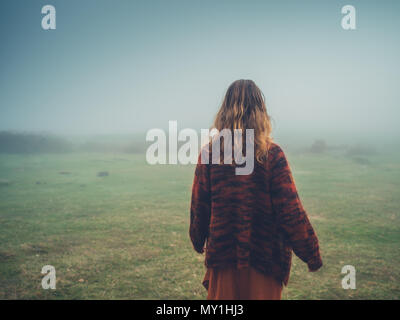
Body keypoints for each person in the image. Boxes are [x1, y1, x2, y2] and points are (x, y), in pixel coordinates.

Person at [189, 79, 322, 300]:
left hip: (223, 261)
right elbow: (291, 211)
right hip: (265, 261)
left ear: (224, 112)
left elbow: (198, 206)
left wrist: (197, 238)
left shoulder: (210, 154)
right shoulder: (272, 155)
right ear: (260, 113)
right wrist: (312, 253)